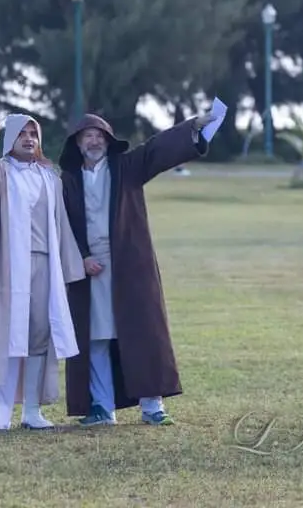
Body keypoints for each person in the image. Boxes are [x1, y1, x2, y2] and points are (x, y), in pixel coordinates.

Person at [58, 112, 213, 427]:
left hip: (129, 262)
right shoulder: (68, 180)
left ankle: (152, 406)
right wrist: (82, 257)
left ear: (108, 140)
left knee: (142, 332)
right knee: (96, 337)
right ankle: (102, 408)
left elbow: (156, 148)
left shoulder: (126, 167)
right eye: (87, 136)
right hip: (89, 269)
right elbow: (63, 225)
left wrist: (192, 127)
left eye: (99, 135)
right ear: (77, 142)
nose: (94, 141)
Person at [0, 114, 86, 433]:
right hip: (5, 265)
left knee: (39, 335)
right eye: (22, 133)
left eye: (33, 134)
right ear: (10, 139)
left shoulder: (49, 178)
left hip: (43, 265)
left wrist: (73, 266)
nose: (28, 139)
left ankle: (32, 411)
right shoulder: (3, 172)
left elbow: (61, 225)